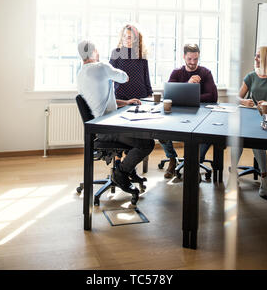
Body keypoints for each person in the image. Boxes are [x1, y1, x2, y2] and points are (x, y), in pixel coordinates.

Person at [77, 39, 155, 194]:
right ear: (94, 52)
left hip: (98, 128)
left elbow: (103, 102)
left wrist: (126, 102)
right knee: (147, 143)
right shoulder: (102, 67)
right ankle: (121, 173)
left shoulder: (80, 73)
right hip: (107, 130)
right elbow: (125, 77)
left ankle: (128, 169)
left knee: (136, 131)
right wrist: (110, 68)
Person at [160, 43, 218, 178]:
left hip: (201, 113)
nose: (193, 62)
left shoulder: (205, 72)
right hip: (178, 113)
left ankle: (195, 161)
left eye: (196, 59)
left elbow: (213, 96)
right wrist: (188, 84)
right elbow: (169, 95)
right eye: (190, 59)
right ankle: (172, 159)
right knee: (161, 131)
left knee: (210, 132)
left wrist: (188, 94)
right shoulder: (177, 72)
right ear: (184, 57)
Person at [233, 45, 267, 197]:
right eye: (255, 55)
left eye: (259, 56)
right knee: (240, 137)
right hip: (252, 116)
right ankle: (237, 173)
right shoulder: (251, 76)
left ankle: (265, 176)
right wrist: (243, 102)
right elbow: (238, 97)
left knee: (256, 137)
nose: (255, 59)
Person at [109, 24, 153, 100]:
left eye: (129, 37)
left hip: (141, 96)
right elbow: (109, 74)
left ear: (135, 39)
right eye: (124, 36)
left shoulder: (141, 54)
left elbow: (146, 77)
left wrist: (150, 93)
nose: (125, 39)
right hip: (122, 97)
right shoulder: (116, 52)